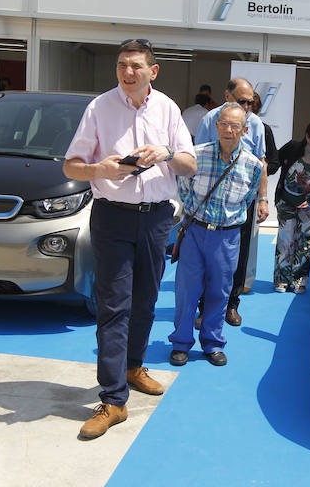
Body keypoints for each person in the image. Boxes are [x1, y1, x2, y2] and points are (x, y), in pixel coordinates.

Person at [63, 39, 196, 440]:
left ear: (152, 71)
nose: (128, 72)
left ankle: (134, 366)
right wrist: (101, 168)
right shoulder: (99, 108)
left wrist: (166, 152)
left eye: (136, 66)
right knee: (113, 306)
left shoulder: (169, 108)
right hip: (113, 219)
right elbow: (71, 165)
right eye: (122, 65)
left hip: (156, 219)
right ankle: (113, 399)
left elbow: (189, 165)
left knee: (146, 301)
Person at [169, 103, 263, 367]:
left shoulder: (253, 166)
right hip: (195, 232)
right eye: (224, 124)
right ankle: (180, 343)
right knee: (187, 291)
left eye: (235, 126)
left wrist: (226, 220)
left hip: (227, 236)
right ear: (216, 126)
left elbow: (247, 199)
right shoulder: (196, 155)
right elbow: (184, 188)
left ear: (244, 130)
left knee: (219, 292)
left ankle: (212, 343)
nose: (228, 130)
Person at [195, 78, 269, 326]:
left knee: (238, 255)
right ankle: (205, 308)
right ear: (227, 96)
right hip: (212, 202)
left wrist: (262, 199)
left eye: (250, 102)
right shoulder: (210, 120)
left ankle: (232, 305)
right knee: (208, 258)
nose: (247, 106)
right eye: (242, 101)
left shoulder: (256, 124)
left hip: (241, 201)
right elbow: (198, 158)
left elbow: (261, 164)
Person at [274, 118, 310, 294]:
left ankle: (299, 279)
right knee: (286, 240)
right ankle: (281, 278)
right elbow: (275, 161)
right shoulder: (292, 148)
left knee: (305, 243)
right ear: (308, 137)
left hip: (309, 208)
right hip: (286, 202)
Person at [252, 93, 279, 177]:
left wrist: (256, 171)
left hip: (256, 184)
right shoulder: (232, 128)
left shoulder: (264, 129)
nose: (250, 119)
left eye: (254, 113)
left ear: (259, 112)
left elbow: (274, 164)